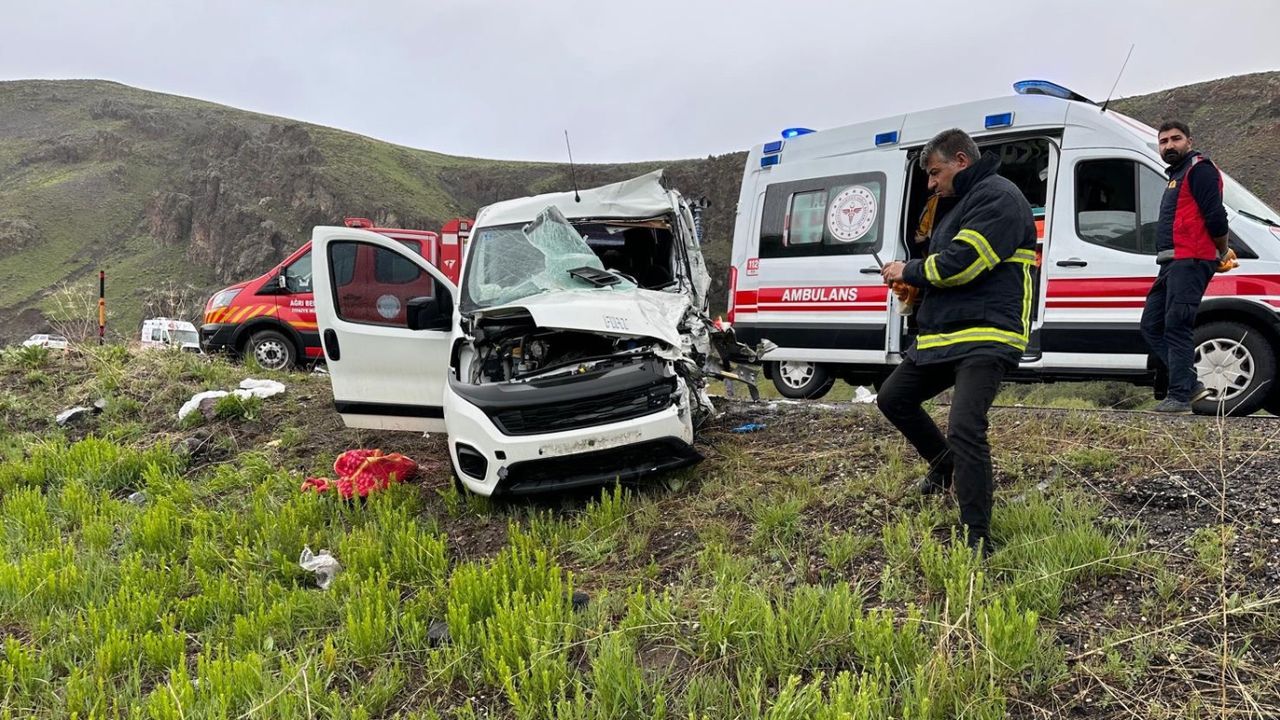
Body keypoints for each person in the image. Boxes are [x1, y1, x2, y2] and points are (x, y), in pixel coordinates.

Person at [877, 128, 1037, 556]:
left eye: (934, 172)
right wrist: (918, 290)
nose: (930, 183)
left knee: (965, 426)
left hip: (987, 334)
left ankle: (976, 534)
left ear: (961, 161)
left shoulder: (998, 197)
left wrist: (907, 271)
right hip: (945, 334)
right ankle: (944, 465)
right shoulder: (958, 205)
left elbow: (963, 264)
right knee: (893, 398)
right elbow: (943, 269)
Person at [1140, 121, 1232, 414]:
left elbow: (1216, 216)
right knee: (1152, 325)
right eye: (1163, 141)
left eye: (1175, 139)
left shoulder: (1199, 170)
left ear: (1189, 142)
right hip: (1171, 261)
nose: (1169, 145)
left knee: (1177, 324)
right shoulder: (1176, 175)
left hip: (1191, 259)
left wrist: (1222, 250)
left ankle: (1179, 397)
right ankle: (1190, 384)